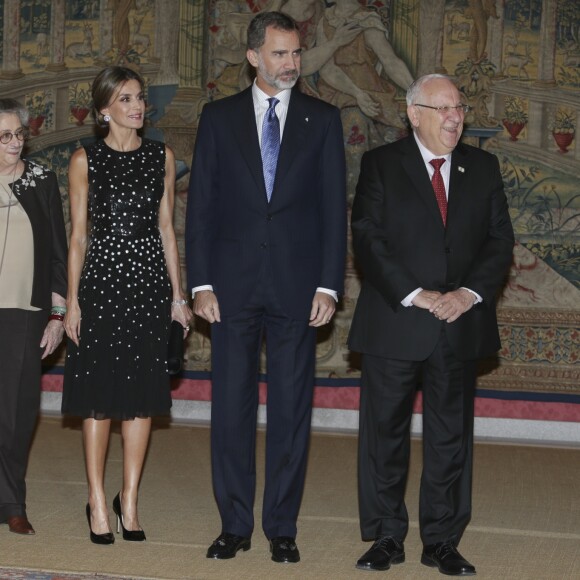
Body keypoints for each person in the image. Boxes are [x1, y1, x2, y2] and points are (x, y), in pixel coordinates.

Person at [185, 11, 346, 564]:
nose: (292, 64)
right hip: (228, 289)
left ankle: (282, 526)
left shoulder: (323, 120)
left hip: (299, 290)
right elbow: (200, 207)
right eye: (280, 54)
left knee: (290, 410)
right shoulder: (218, 117)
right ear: (253, 56)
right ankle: (234, 524)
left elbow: (333, 212)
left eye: (296, 53)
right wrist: (199, 283)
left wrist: (329, 286)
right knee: (229, 409)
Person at [348, 74, 514, 576]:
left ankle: (442, 539)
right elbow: (368, 238)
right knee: (385, 434)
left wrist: (466, 294)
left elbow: (498, 242)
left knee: (449, 438)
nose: (454, 117)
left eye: (459, 107)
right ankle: (385, 535)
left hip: (459, 323)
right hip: (397, 319)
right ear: (413, 113)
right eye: (442, 108)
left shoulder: (483, 167)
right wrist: (417, 294)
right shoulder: (381, 164)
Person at [62, 66, 192, 545]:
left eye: (139, 98)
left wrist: (178, 297)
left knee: (140, 399)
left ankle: (129, 499)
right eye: (126, 99)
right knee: (98, 398)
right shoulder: (85, 159)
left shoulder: (161, 156)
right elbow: (78, 237)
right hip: (98, 285)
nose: (138, 107)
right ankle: (97, 500)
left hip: (148, 287)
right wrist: (72, 302)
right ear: (103, 110)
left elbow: (166, 230)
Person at [0, 98, 68, 535]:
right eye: (4, 136)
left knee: (16, 411)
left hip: (24, 312)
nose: (14, 142)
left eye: (19, 134)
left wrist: (58, 314)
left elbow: (60, 254)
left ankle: (11, 502)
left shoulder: (42, 181)